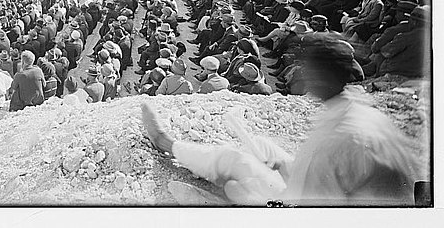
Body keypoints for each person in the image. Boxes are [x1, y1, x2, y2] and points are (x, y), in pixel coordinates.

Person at [141, 32, 419, 206]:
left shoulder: (335, 139)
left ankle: (168, 144)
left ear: (321, 77)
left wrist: (252, 187)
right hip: (354, 199)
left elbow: (302, 205)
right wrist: (283, 167)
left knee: (234, 164)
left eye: (306, 70)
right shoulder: (362, 113)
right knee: (263, 148)